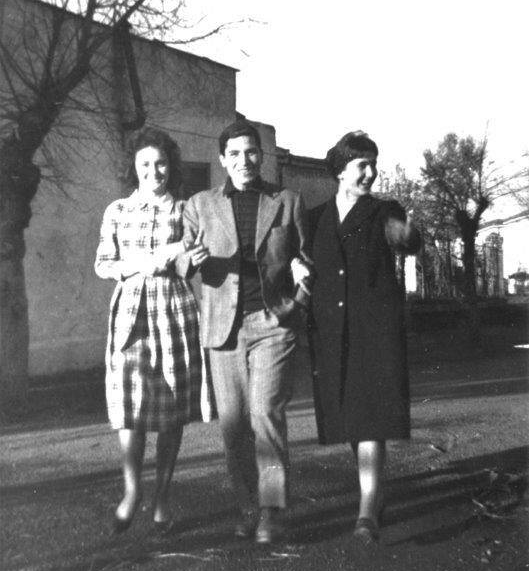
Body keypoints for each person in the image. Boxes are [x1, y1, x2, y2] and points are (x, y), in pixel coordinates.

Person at [181, 120, 311, 544]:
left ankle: (272, 511)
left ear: (262, 154)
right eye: (234, 154)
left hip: (273, 323)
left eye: (251, 151)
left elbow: (306, 258)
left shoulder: (287, 200)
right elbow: (181, 261)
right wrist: (192, 259)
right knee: (234, 426)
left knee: (264, 414)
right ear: (222, 160)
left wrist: (300, 295)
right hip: (223, 328)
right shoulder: (200, 204)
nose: (244, 160)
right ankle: (247, 506)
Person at [94, 127, 213, 534]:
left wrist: (191, 258)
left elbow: (187, 267)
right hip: (130, 312)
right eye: (145, 164)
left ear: (170, 165)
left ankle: (162, 493)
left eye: (160, 163)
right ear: (135, 167)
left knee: (170, 405)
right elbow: (104, 263)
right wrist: (136, 265)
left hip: (173, 310)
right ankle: (132, 491)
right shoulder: (117, 211)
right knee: (129, 404)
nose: (153, 171)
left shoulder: (185, 210)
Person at [307, 131, 420, 543]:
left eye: (374, 164)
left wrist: (404, 235)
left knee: (370, 414)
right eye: (362, 165)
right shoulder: (315, 217)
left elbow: (405, 237)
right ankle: (374, 493)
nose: (370, 173)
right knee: (350, 417)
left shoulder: (383, 210)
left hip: (374, 329)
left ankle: (368, 506)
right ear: (340, 170)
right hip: (331, 332)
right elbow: (299, 258)